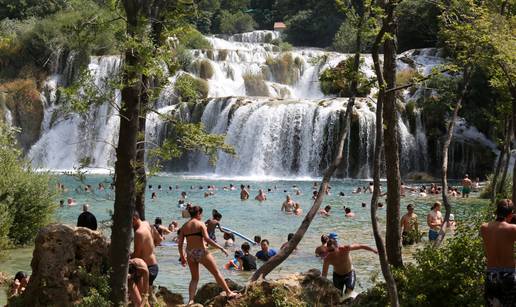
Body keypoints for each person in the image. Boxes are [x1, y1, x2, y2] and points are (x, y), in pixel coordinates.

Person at [178, 206, 238, 304]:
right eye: (201, 214)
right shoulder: (200, 224)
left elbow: (180, 244)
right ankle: (228, 292)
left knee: (194, 278)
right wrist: (221, 248)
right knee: (216, 273)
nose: (201, 216)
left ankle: (191, 300)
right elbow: (207, 239)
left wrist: (182, 257)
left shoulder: (184, 226)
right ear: (198, 214)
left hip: (190, 253)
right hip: (201, 252)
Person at [480, 199, 516, 306]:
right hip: (508, 275)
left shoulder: (484, 227)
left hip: (491, 274)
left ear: (497, 211)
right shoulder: (513, 228)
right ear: (510, 214)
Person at [131, 212, 159, 286]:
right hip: (154, 265)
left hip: (146, 269)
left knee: (139, 293)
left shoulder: (139, 233)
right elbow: (158, 239)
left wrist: (127, 258)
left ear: (134, 219)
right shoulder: (146, 224)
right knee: (147, 294)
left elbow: (137, 254)